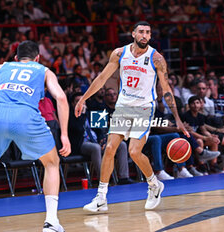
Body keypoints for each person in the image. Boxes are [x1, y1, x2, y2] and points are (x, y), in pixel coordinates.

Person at [76, 21, 205, 212]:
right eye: (141, 32)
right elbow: (102, 78)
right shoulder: (119, 53)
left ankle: (154, 185)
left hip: (144, 108)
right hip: (123, 106)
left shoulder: (157, 58)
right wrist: (83, 99)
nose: (145, 35)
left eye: (148, 33)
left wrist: (176, 117)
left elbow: (166, 89)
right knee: (110, 147)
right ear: (133, 34)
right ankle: (101, 197)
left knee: (134, 152)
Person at [0, 41, 71, 232]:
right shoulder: (44, 70)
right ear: (37, 58)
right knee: (51, 163)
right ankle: (51, 222)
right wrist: (64, 135)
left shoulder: (1, 67)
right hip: (26, 116)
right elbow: (61, 98)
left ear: (15, 58)